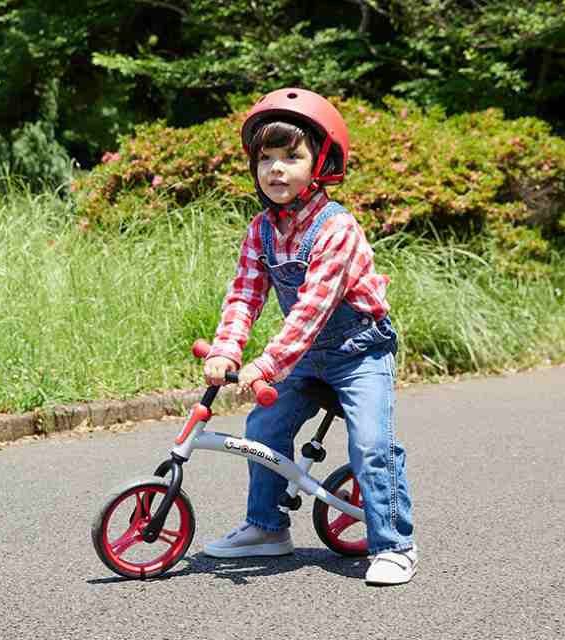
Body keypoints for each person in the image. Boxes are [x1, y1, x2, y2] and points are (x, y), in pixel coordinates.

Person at [202, 88, 416, 585]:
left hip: (359, 351)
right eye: (266, 158)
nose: (276, 169)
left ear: (321, 162)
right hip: (304, 357)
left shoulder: (336, 228)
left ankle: (394, 544)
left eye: (291, 157)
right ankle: (267, 527)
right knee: (263, 428)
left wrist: (264, 365)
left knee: (370, 443)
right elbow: (244, 296)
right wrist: (227, 349)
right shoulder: (260, 231)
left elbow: (311, 311)